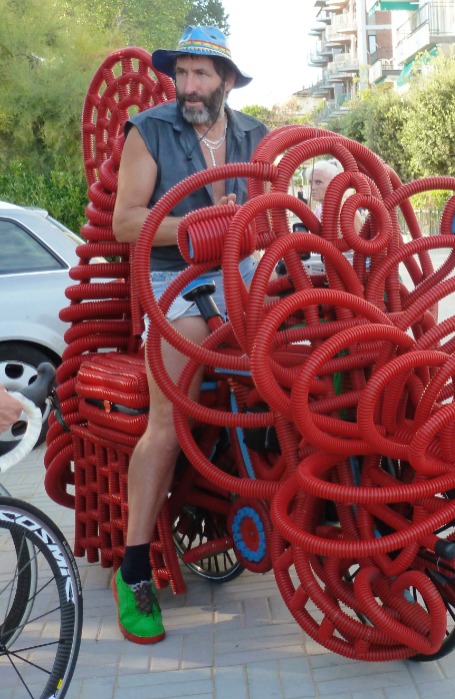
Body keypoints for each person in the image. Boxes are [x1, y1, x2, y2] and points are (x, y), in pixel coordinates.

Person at [111, 25, 268, 645]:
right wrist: (201, 226)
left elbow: (268, 217)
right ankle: (133, 570)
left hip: (243, 275)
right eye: (181, 73)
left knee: (308, 364)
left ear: (227, 80)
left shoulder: (254, 135)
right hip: (174, 279)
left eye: (201, 73)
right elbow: (127, 222)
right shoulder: (149, 131)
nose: (188, 85)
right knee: (168, 422)